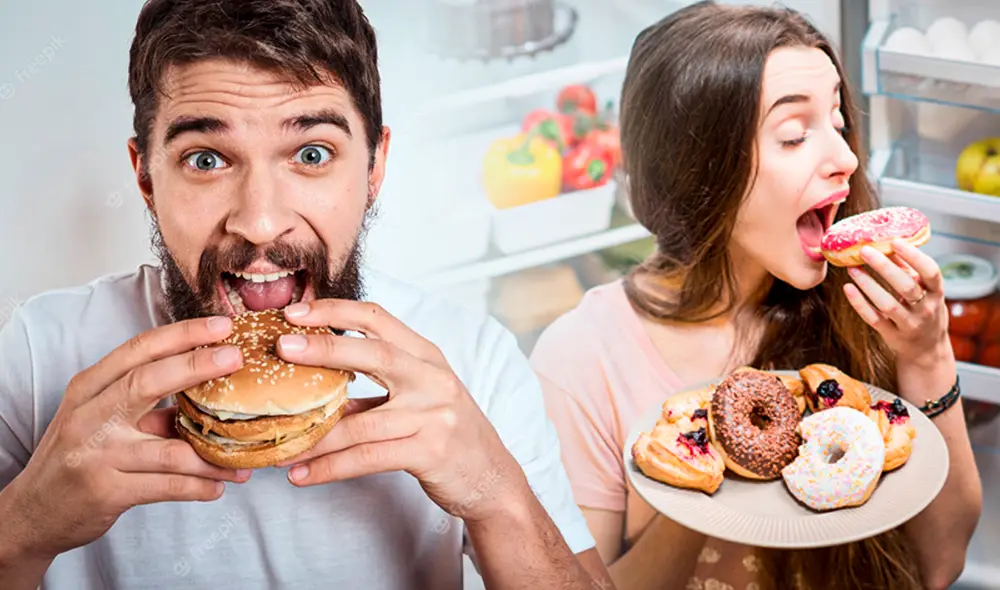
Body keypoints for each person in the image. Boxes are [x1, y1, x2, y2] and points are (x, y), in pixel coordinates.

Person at [0, 1, 615, 589]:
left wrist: (496, 497)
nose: (261, 222)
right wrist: (23, 529)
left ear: (375, 167)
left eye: (312, 154)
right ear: (145, 178)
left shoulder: (470, 362)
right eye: (207, 159)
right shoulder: (38, 355)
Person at [530, 3, 983, 590]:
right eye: (794, 136)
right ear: (699, 167)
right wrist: (706, 470)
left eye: (839, 125)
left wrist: (928, 355)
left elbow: (940, 563)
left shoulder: (871, 307)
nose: (845, 159)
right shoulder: (583, 358)